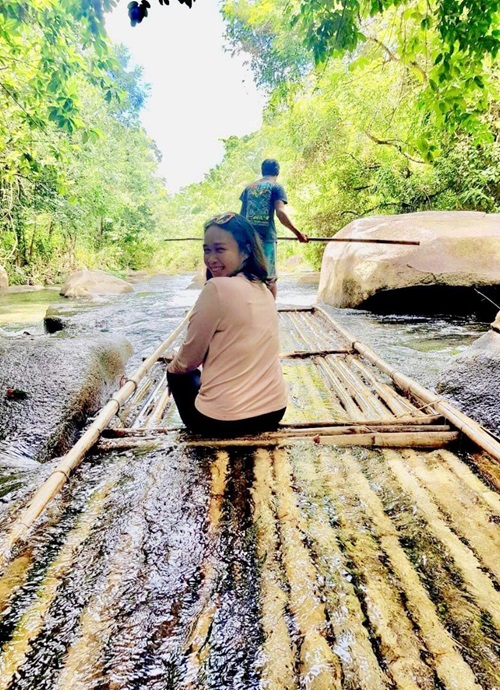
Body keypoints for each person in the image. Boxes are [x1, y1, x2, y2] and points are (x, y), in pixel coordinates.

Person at [166, 212, 288, 437]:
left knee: (178, 373)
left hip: (222, 422)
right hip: (274, 411)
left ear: (245, 251)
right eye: (206, 250)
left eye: (220, 249)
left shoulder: (216, 288)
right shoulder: (263, 288)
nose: (211, 258)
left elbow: (188, 361)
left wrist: (173, 370)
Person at [240, 159, 308, 297]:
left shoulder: (249, 188)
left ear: (262, 170)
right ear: (277, 171)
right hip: (266, 240)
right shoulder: (276, 187)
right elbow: (280, 212)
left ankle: (251, 311)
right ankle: (270, 313)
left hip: (247, 240)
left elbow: (241, 216)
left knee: (250, 277)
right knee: (269, 278)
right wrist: (298, 234)